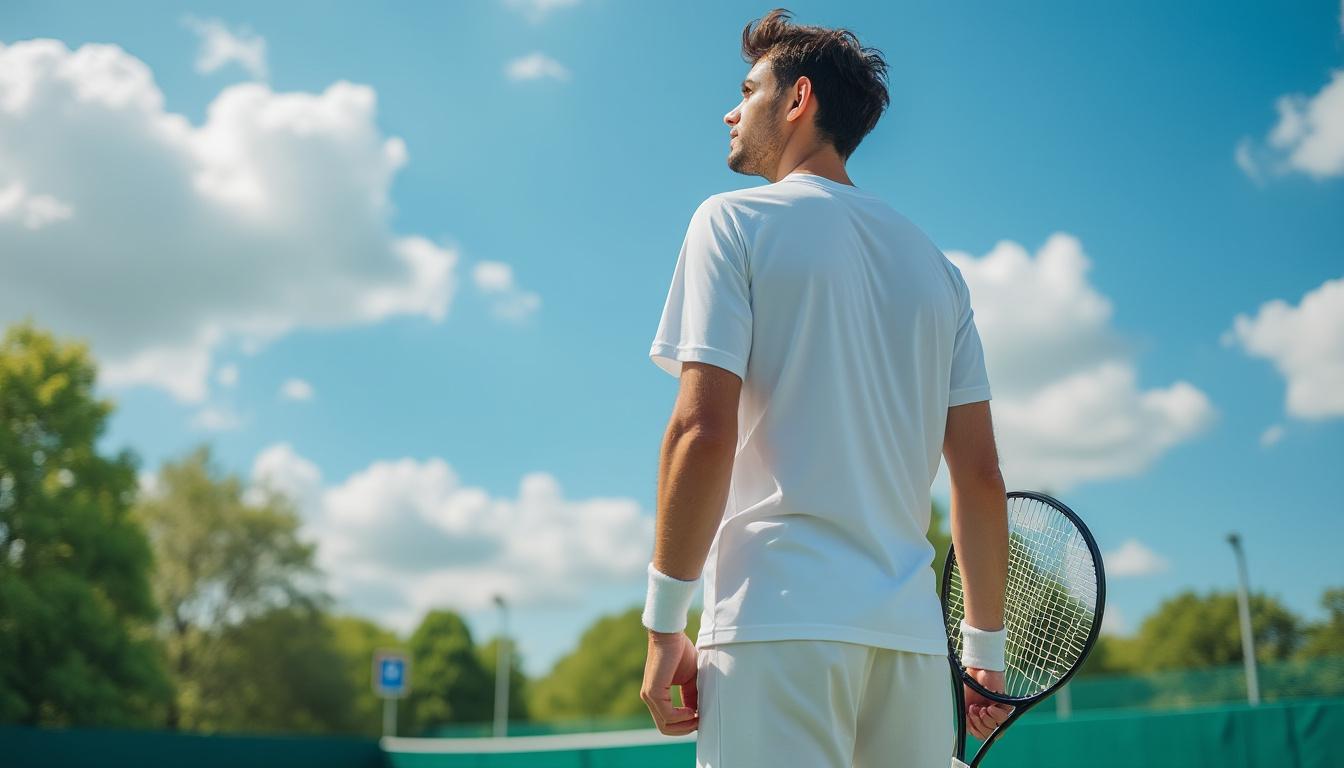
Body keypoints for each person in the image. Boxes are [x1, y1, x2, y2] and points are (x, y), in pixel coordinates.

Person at [639, 8, 1013, 768]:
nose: (730, 110)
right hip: (909, 650)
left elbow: (699, 433)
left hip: (776, 627)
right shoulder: (940, 273)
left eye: (747, 90)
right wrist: (985, 651)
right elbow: (979, 475)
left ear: (798, 98)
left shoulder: (731, 223)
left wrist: (662, 624)